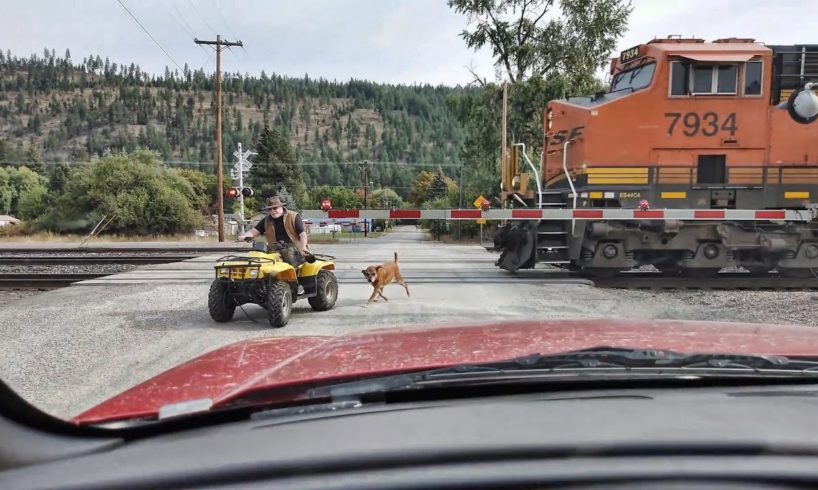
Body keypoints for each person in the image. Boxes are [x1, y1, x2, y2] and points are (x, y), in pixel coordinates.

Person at [241, 196, 309, 266]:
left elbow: (302, 235)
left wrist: (303, 247)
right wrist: (243, 236)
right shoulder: (267, 220)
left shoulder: (293, 216)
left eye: (275, 208)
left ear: (282, 207)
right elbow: (253, 232)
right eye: (270, 209)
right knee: (260, 257)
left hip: (295, 250)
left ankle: (294, 275)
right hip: (275, 250)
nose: (272, 211)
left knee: (288, 253)